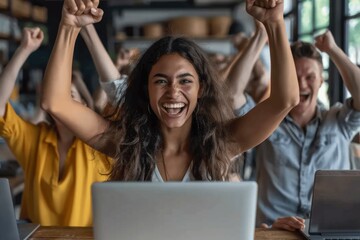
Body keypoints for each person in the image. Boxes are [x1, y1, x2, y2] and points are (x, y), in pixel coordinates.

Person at [41, 0, 299, 182]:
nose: (173, 92)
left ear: (202, 88)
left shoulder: (222, 143)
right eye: (161, 81)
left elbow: (284, 100)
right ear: (146, 89)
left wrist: (275, 24)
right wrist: (68, 27)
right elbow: (56, 102)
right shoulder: (125, 142)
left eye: (185, 81)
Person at [247, 30, 360, 229]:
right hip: (274, 230)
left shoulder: (339, 121)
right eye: (295, 77)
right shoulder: (264, 122)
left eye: (310, 77)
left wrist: (332, 50)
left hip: (332, 228)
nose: (301, 84)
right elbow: (232, 98)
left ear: (321, 81)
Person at [0, 27, 112, 226]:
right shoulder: (35, 139)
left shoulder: (101, 144)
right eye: (57, 97)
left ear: (84, 107)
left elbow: (118, 91)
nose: (61, 104)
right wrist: (24, 49)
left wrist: (87, 29)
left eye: (69, 97)